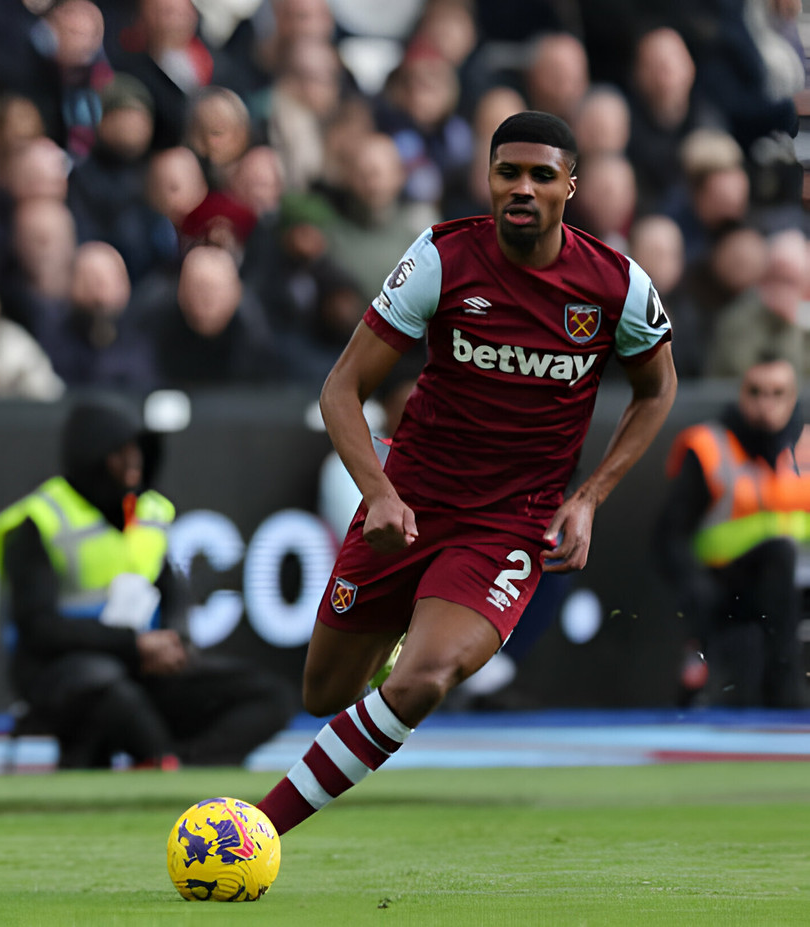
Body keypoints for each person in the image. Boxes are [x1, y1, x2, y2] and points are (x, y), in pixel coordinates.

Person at [255, 111, 677, 836]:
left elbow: (656, 389)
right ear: (488, 178)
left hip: (511, 521)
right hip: (411, 502)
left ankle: (254, 828)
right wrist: (379, 491)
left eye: (542, 174)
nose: (523, 187)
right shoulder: (442, 258)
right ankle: (404, 633)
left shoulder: (617, 286)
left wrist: (590, 496)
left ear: (571, 185)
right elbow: (341, 388)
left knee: (423, 679)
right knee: (326, 691)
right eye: (508, 171)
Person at [0, 394, 297, 770]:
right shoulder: (39, 521)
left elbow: (174, 593)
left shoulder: (150, 514)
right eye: (119, 451)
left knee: (270, 696)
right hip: (62, 671)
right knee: (108, 689)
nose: (133, 461)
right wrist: (132, 646)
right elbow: (38, 626)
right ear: (90, 455)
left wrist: (175, 639)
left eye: (137, 448)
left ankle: (185, 765)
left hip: (142, 664)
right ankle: (157, 758)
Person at [654, 354, 810, 708]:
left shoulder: (806, 450)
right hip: (725, 584)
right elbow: (670, 535)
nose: (764, 404)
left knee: (782, 559)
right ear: (741, 394)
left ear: (793, 398)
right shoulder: (710, 448)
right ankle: (780, 696)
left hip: (798, 588)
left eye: (777, 393)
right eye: (755, 392)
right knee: (777, 557)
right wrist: (694, 584)